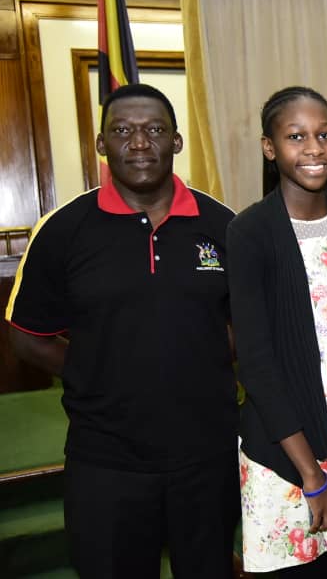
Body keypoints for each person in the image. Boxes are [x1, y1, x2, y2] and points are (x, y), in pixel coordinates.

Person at [5, 83, 239, 578]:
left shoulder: (223, 226)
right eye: (122, 130)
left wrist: (204, 359)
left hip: (206, 454)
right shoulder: (63, 230)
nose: (139, 142)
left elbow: (249, 325)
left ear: (176, 141)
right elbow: (26, 336)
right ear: (101, 143)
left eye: (154, 129)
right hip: (105, 459)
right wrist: (96, 372)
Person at [226, 86, 327, 576]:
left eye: (324, 135)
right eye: (296, 136)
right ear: (269, 148)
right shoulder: (249, 231)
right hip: (285, 452)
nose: (314, 148)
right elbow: (256, 363)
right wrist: (312, 476)